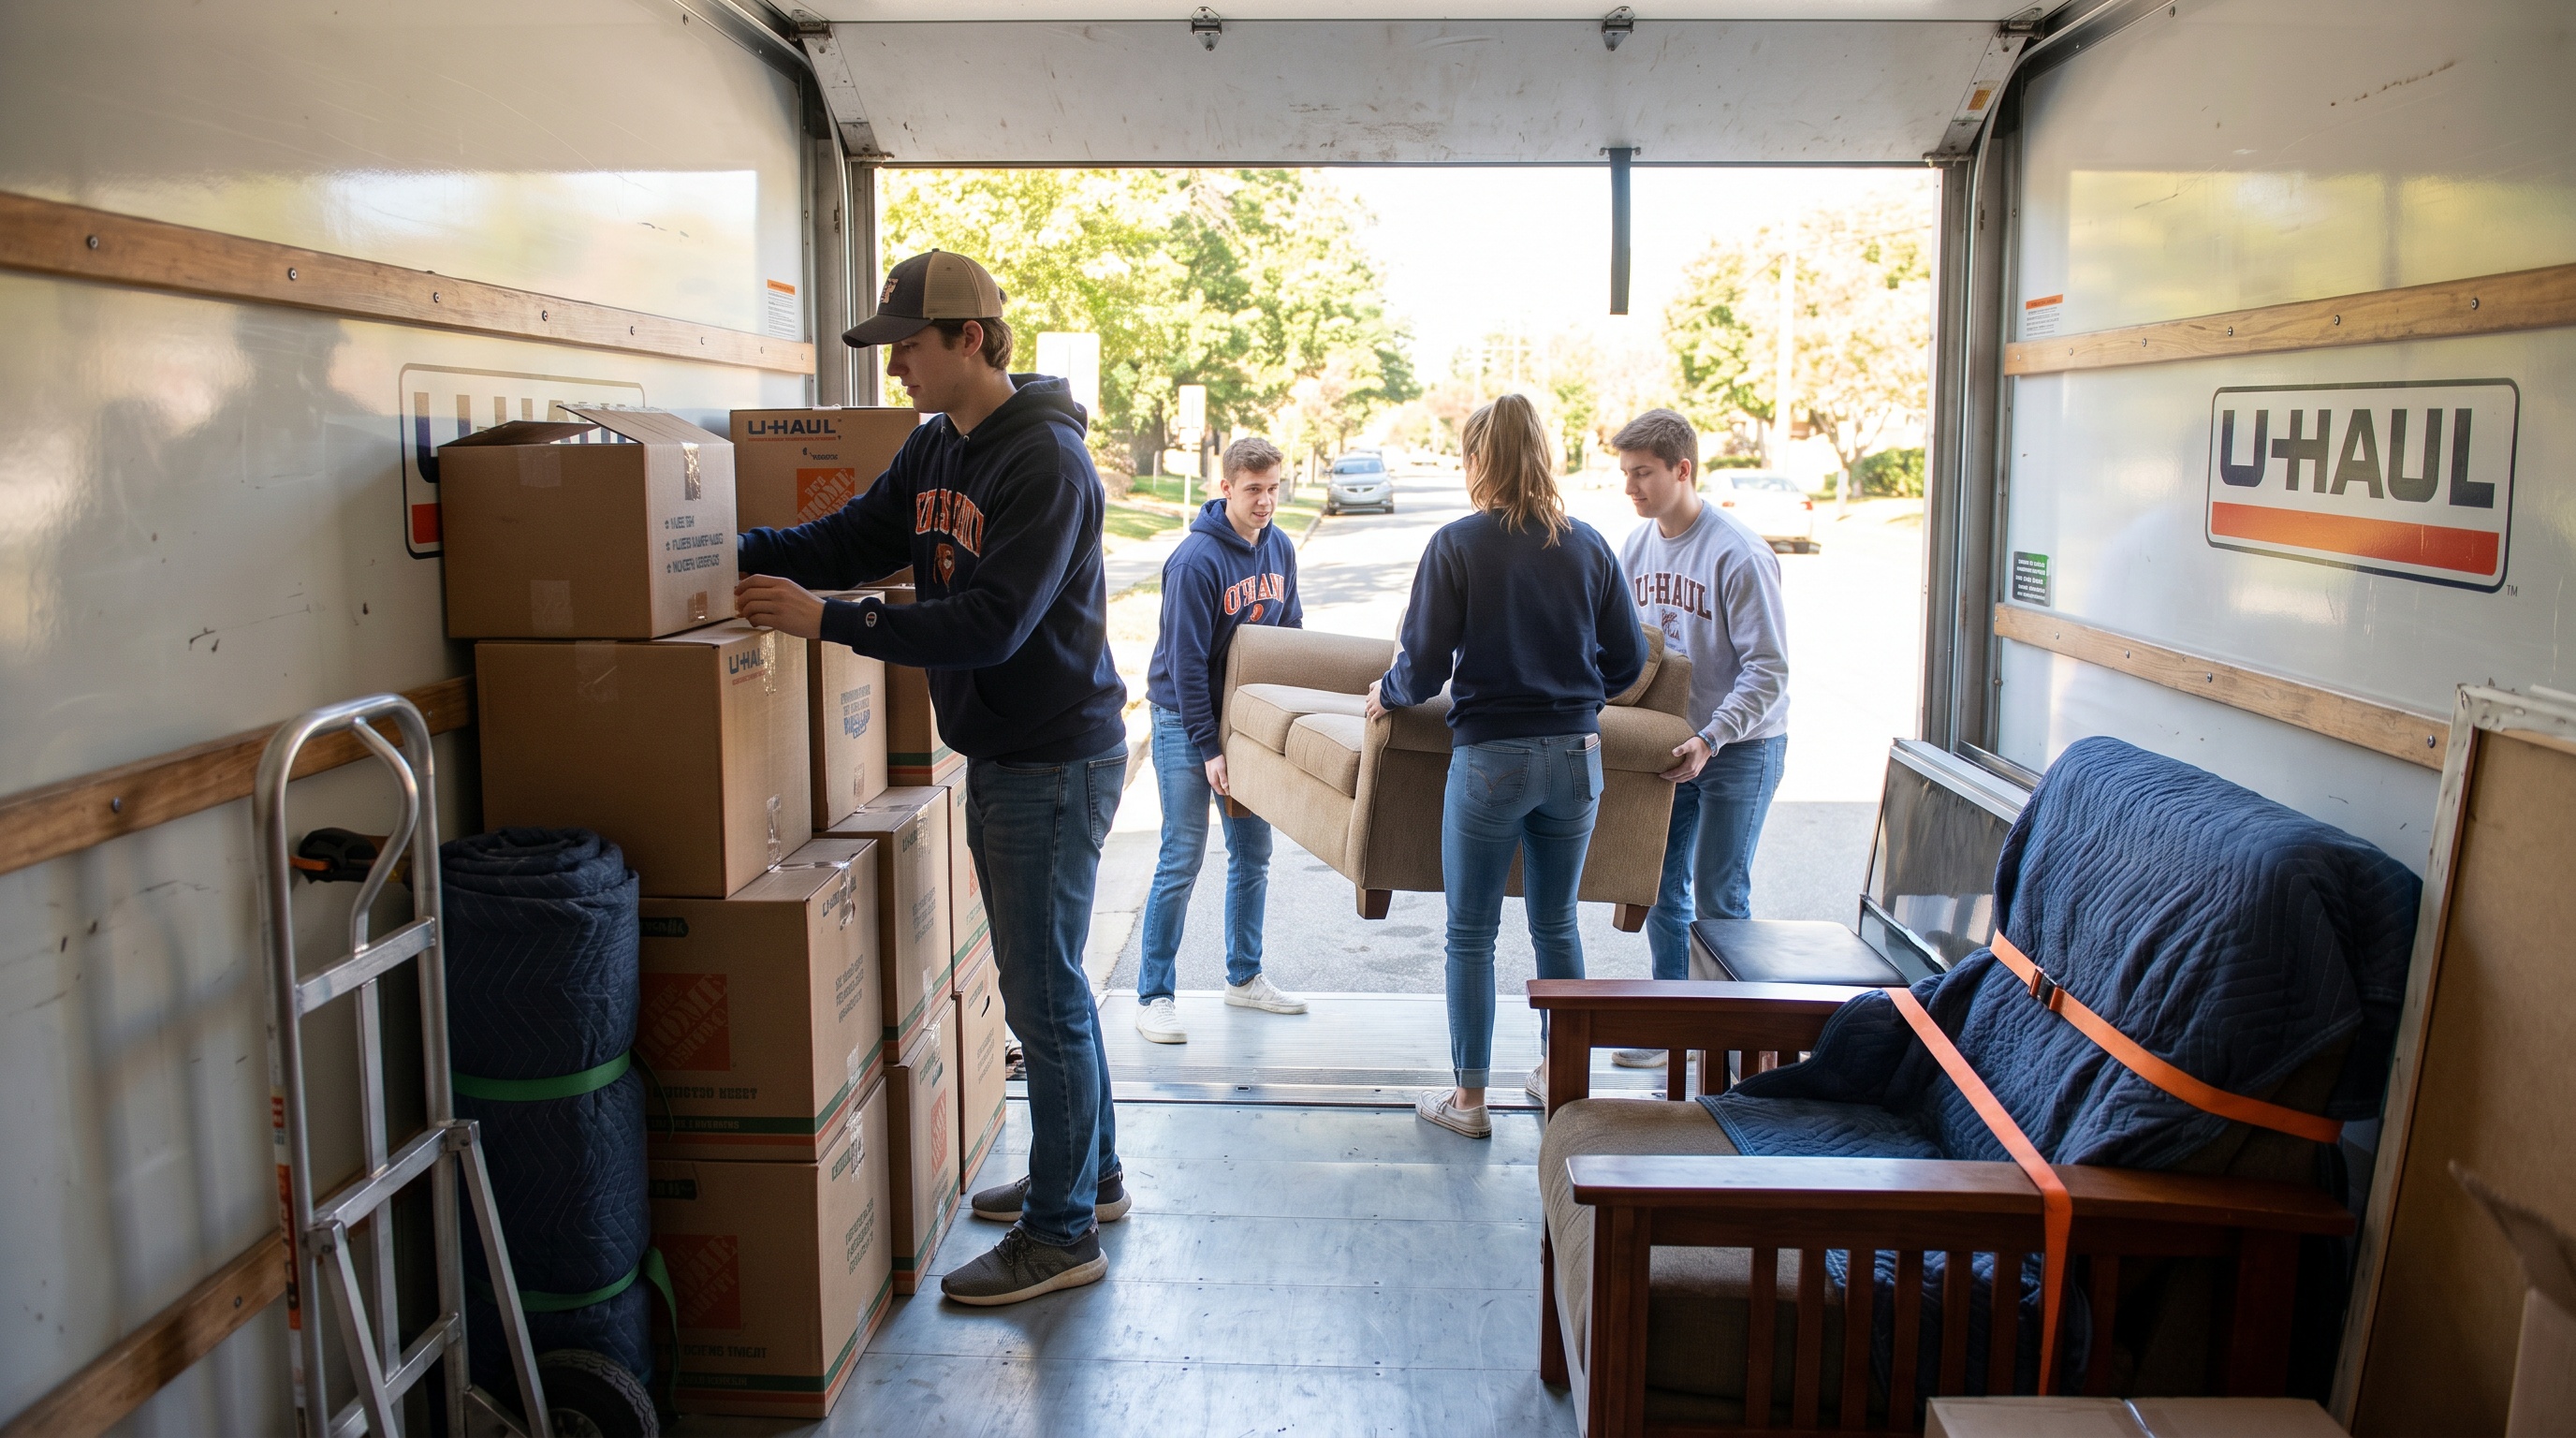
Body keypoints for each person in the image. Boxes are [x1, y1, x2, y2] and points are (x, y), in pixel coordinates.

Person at [733, 249, 1129, 1307]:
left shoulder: (1043, 463)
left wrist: (832, 622)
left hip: (1053, 759)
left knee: (1040, 998)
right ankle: (1090, 1179)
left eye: (907, 346)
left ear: (971, 339)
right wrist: (721, 551)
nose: (894, 365)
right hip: (1010, 753)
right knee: (1053, 987)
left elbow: (992, 626)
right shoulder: (933, 449)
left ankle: (1059, 1237)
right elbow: (851, 537)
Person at [1367, 394, 1645, 1138]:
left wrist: (1384, 693)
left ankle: (1470, 1103)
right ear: (1545, 456)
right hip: (1579, 758)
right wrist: (1573, 689)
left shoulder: (1457, 545)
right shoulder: (1589, 545)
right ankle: (1561, 1084)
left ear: (1477, 461)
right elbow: (1629, 662)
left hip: (1492, 761)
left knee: (1471, 934)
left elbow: (1421, 668)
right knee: (1557, 923)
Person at [1609, 408, 1790, 1067]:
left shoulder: (1738, 552)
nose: (1631, 488)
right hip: (1671, 745)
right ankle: (1671, 1022)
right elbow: (1629, 656)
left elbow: (1769, 671)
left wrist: (1712, 737)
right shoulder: (1635, 548)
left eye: (1643, 474)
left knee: (1719, 892)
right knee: (1656, 882)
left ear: (1682, 469)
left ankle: (1734, 1034)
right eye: (1625, 475)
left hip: (1741, 746)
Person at [1133, 437, 1310, 1043]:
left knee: (1253, 852)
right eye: (1254, 489)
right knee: (1182, 854)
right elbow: (1184, 666)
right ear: (1226, 488)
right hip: (1186, 721)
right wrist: (1210, 749)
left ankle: (1244, 977)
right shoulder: (1196, 561)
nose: (1265, 501)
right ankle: (1154, 995)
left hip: (1246, 723)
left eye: (1274, 488)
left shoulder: (1280, 547)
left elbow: (1292, 637)